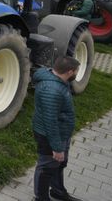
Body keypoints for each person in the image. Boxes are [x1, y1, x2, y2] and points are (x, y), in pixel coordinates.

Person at [32, 56, 83, 201]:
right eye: (76, 71)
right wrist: (57, 148)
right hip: (50, 135)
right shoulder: (52, 90)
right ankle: (41, 198)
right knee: (46, 167)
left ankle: (58, 192)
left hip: (61, 133)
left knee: (58, 164)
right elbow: (50, 121)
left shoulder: (58, 80)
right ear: (69, 72)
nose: (77, 74)